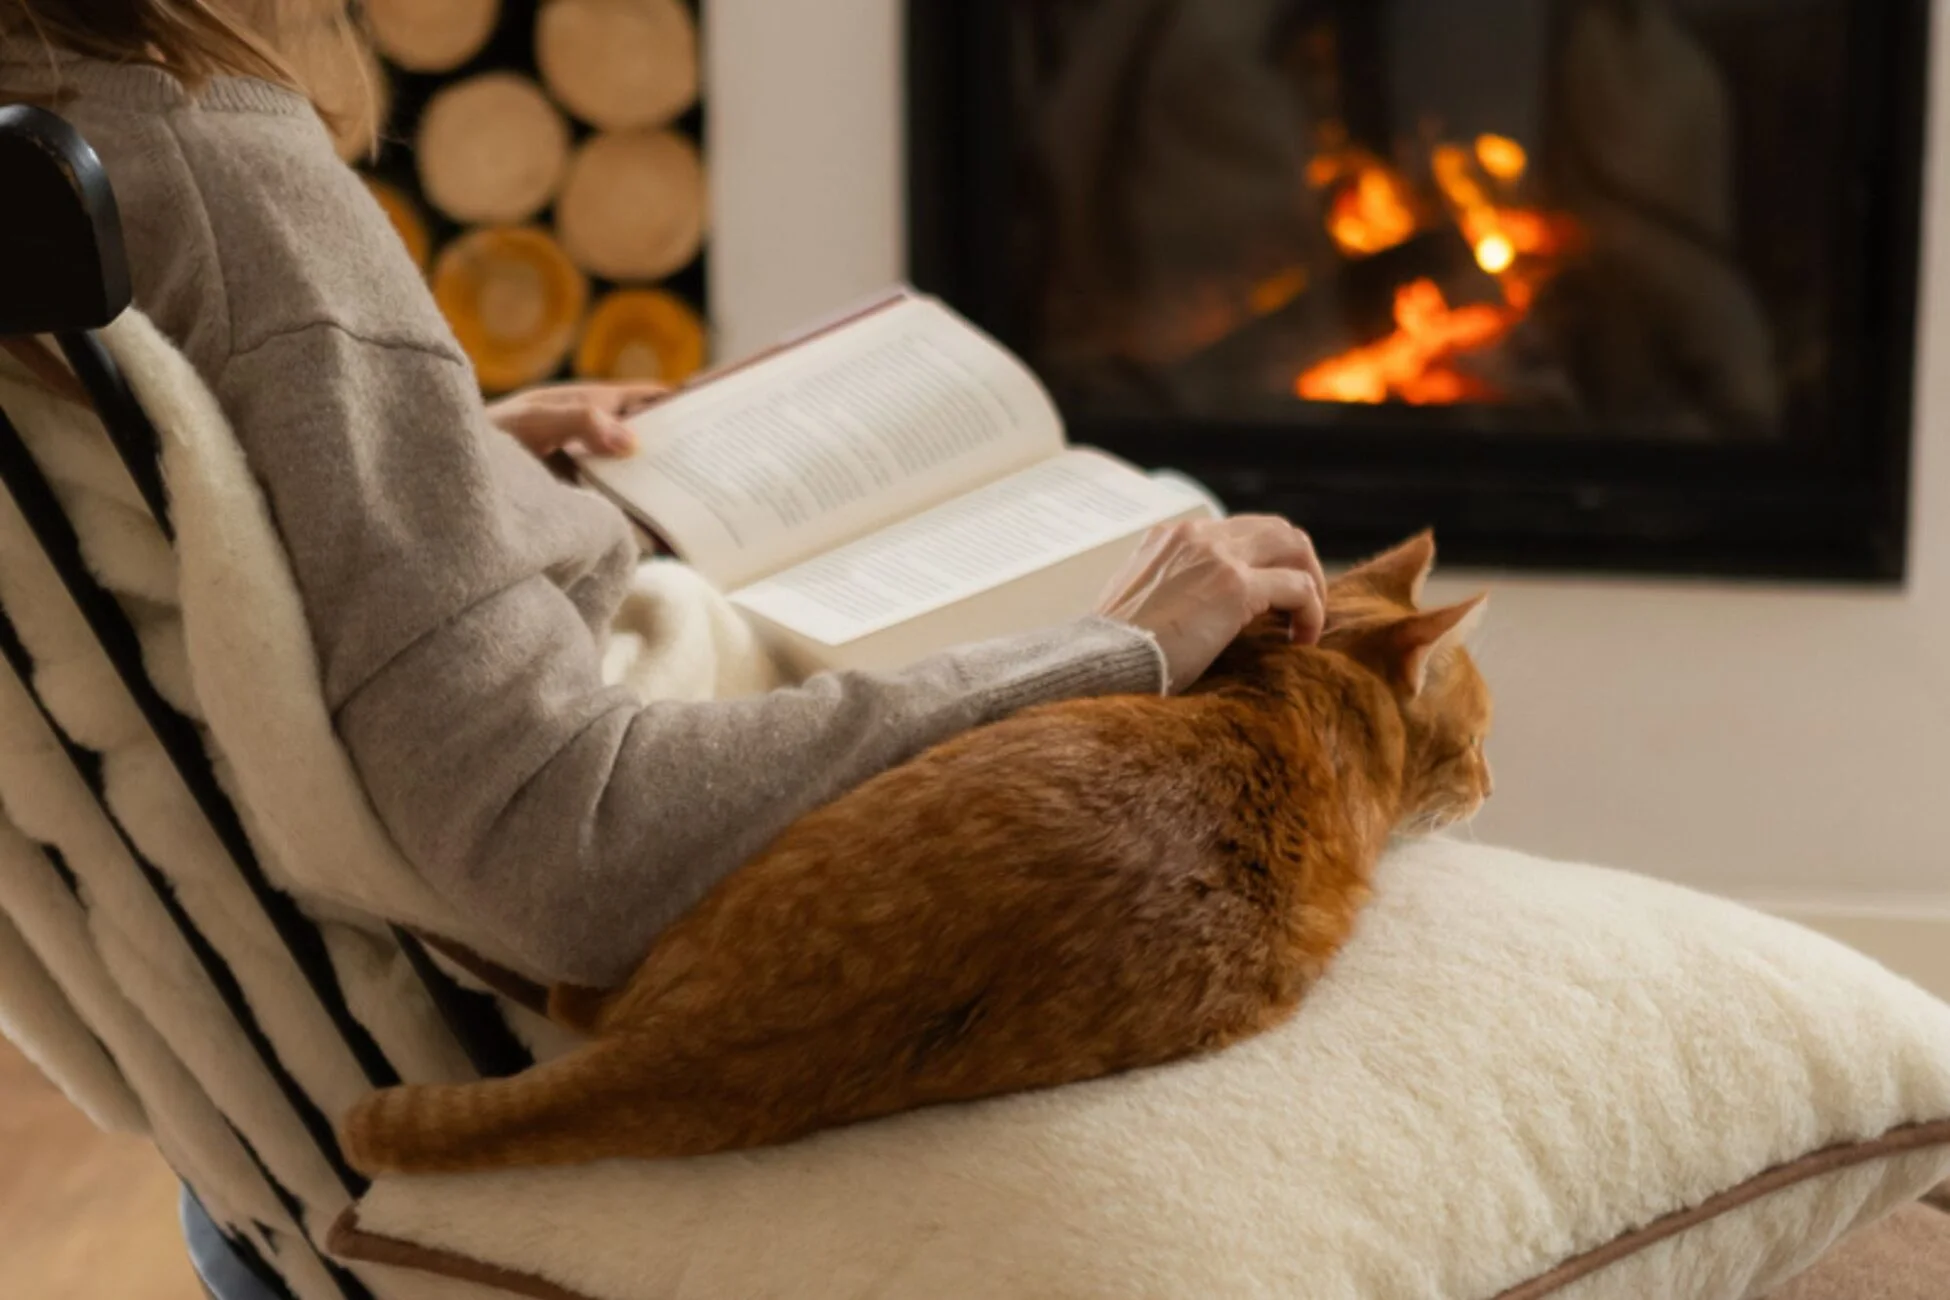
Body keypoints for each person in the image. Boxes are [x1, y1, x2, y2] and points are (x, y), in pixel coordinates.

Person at [0, 1, 1325, 990]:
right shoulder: (222, 177)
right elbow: (560, 841)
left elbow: (199, 514)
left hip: (279, 986)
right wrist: (1110, 653)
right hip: (585, 949)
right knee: (1279, 663)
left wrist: (442, 460)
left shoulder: (56, 122)